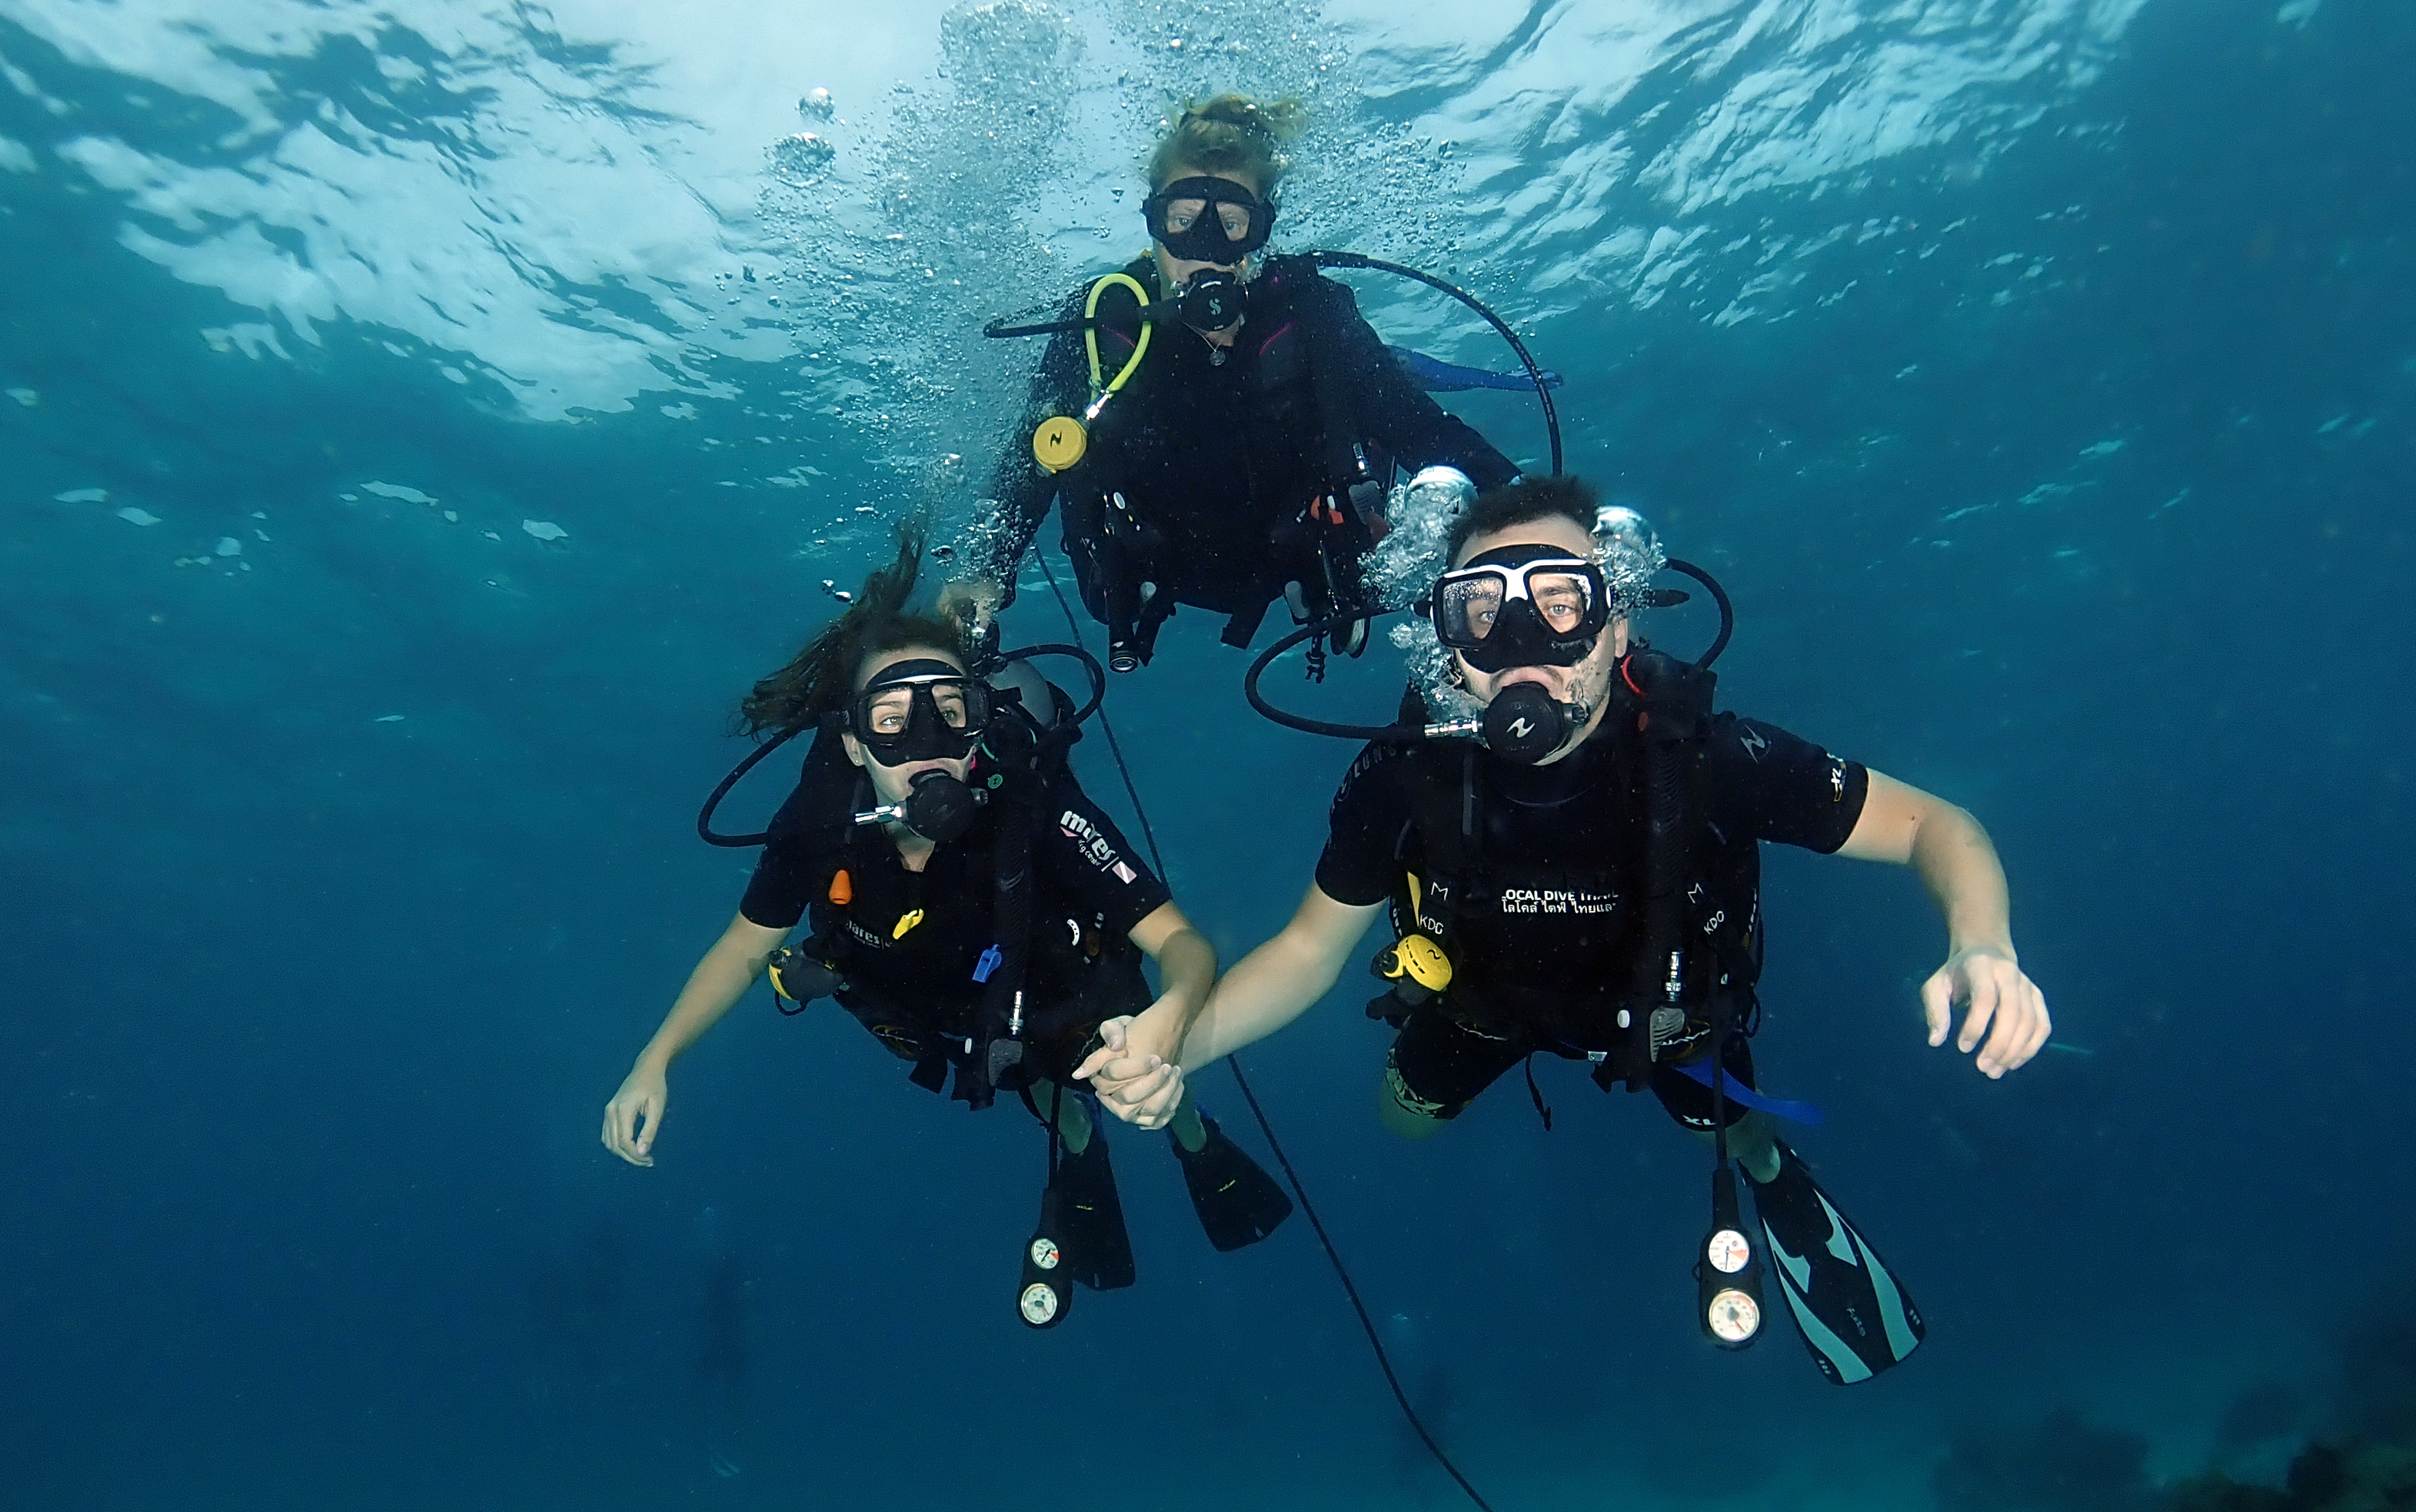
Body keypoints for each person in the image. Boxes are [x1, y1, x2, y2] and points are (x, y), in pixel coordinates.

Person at [1080, 475, 2052, 1383]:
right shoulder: (1402, 778)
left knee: (1728, 1117)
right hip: (1483, 1006)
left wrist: (1982, 943)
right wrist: (1178, 1045)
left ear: (1614, 621)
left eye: (1557, 602)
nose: (1520, 643)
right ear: (1442, 639)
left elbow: (1933, 825)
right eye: (1478, 609)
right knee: (1400, 1121)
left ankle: (1771, 1174)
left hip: (1669, 1012)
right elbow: (1305, 949)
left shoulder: (1708, 755)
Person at [602, 523, 1292, 1326]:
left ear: (978, 722)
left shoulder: (1033, 801)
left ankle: (1193, 1135)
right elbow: (744, 945)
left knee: (1116, 1063)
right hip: (952, 1008)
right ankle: (1078, 1144)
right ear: (855, 743)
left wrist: (1167, 1021)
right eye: (892, 720)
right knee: (1044, 1089)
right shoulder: (820, 820)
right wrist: (655, 1058)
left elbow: (1181, 943)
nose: (923, 743)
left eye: (949, 711)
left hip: (1061, 980)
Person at [951, 94, 1522, 673]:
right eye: (1183, 221)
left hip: (1297, 555)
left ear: (1261, 230)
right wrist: (980, 581)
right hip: (1147, 559)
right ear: (1154, 222)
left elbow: (1418, 425)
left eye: (1230, 224)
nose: (1205, 248)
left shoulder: (1313, 313)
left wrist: (1528, 504)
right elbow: (1030, 464)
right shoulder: (1106, 322)